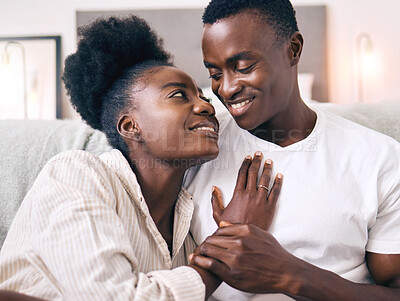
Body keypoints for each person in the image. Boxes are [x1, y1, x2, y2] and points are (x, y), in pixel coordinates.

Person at [0, 15, 283, 300]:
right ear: (130, 126)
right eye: (179, 95)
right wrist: (225, 251)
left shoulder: (187, 232)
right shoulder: (76, 173)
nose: (205, 106)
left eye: (204, 98)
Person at [185, 0, 400, 300]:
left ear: (293, 50)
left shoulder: (378, 158)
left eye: (243, 67)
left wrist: (290, 274)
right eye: (215, 74)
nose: (227, 89)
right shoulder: (197, 145)